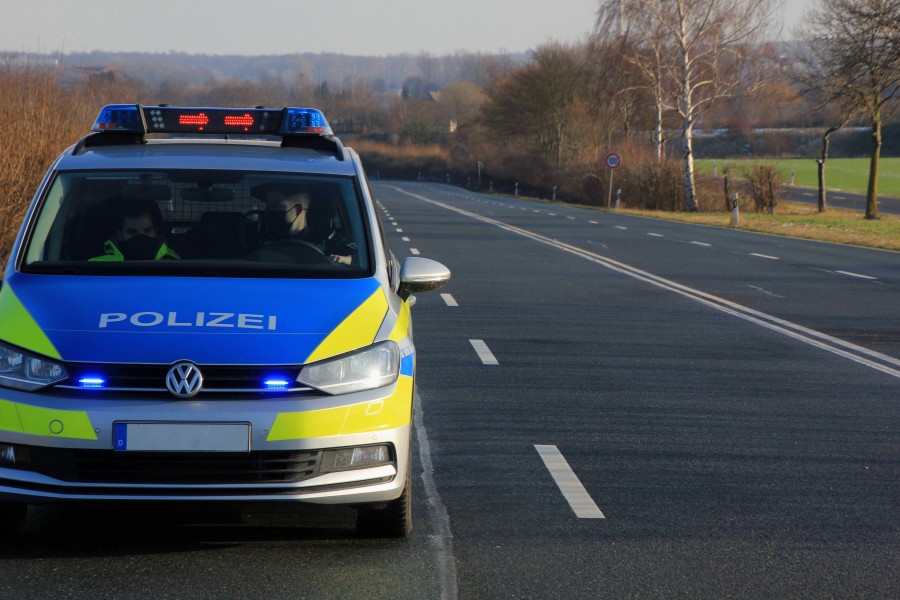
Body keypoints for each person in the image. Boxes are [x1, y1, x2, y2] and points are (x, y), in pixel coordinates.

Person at [263, 184, 354, 265]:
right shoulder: (262, 237)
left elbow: (359, 262)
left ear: (298, 210)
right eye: (268, 207)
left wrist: (349, 260)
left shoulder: (331, 242)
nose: (270, 212)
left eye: (277, 206)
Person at [91, 197, 181, 261]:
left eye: (147, 230)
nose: (140, 237)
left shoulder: (174, 262)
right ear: (120, 234)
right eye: (132, 232)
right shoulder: (97, 266)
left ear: (155, 231)